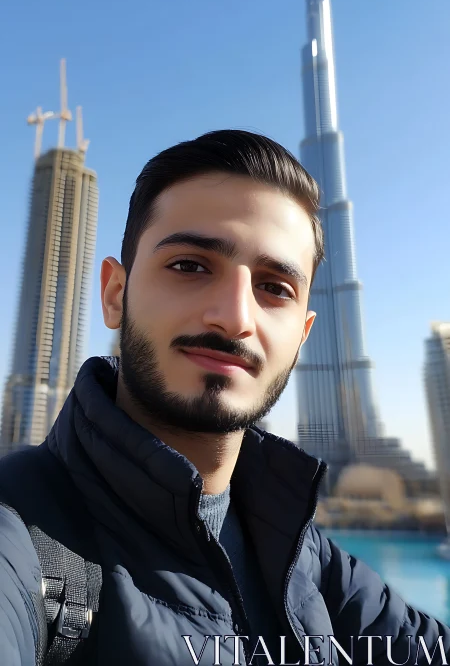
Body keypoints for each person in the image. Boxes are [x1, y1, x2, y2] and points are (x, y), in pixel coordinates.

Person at [0, 130, 448, 666]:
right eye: (190, 265)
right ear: (116, 296)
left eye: (275, 287)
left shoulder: (305, 558)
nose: (236, 318)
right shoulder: (21, 537)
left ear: (302, 335)